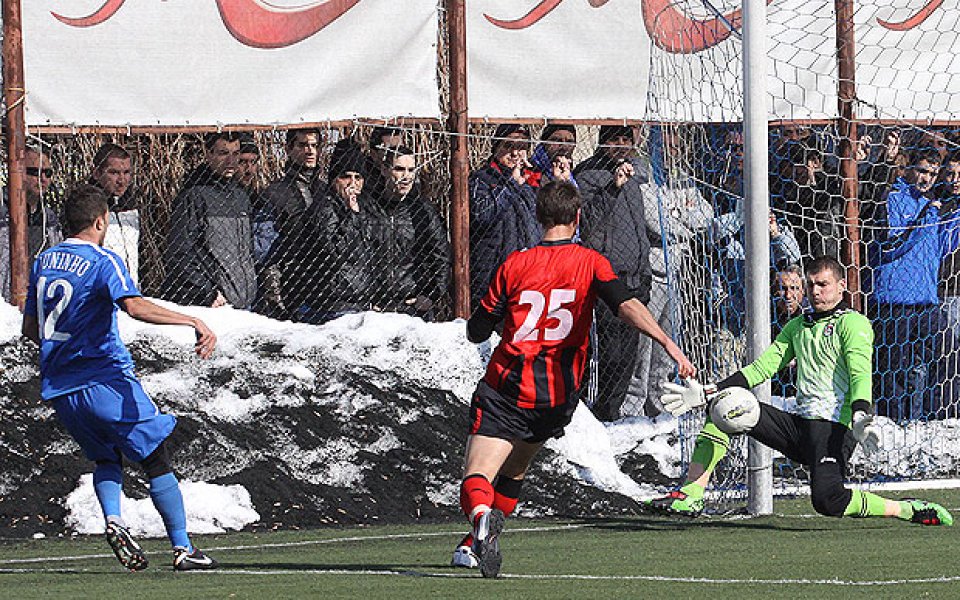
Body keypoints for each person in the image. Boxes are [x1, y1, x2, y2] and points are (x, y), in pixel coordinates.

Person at [454, 181, 696, 577]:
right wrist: (666, 340)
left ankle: (481, 517)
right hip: (556, 394)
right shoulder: (590, 261)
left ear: (538, 217)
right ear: (577, 216)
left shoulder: (515, 264)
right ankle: (477, 542)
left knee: (477, 475)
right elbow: (625, 304)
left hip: (509, 385)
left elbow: (477, 330)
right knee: (514, 471)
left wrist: (497, 319)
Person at [645, 256, 953, 528]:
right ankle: (690, 494)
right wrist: (707, 393)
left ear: (841, 285)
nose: (816, 291)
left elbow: (861, 373)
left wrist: (861, 412)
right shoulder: (798, 326)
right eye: (811, 285)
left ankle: (905, 509)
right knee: (728, 406)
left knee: (828, 502)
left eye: (823, 284)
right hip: (798, 426)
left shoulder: (854, 323)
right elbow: (760, 369)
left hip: (833, 430)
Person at [21, 185, 220, 571]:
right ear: (100, 221)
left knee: (106, 457)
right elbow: (134, 306)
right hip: (106, 379)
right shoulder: (102, 260)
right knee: (155, 455)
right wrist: (192, 319)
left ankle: (113, 520)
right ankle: (183, 548)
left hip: (62, 388)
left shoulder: (44, 261)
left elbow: (32, 327)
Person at [572, 124, 653, 421]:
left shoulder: (636, 176)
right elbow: (588, 224)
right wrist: (612, 188)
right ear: (601, 143)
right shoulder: (588, 175)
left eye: (625, 139)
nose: (621, 145)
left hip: (636, 276)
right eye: (614, 139)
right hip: (607, 277)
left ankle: (613, 412)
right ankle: (594, 414)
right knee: (606, 352)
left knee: (627, 355)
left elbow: (640, 226)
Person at [867, 149, 946, 422]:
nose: (927, 179)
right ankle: (891, 425)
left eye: (933, 174)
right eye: (923, 171)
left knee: (948, 354)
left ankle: (936, 420)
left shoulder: (932, 206)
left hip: (926, 300)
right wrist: (926, 216)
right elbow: (891, 245)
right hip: (894, 298)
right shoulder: (892, 200)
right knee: (893, 369)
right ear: (907, 169)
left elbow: (943, 245)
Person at [278, 139, 381, 322]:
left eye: (358, 178)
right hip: (332, 304)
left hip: (362, 301)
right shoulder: (325, 209)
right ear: (335, 179)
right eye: (346, 177)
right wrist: (351, 216)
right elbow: (335, 251)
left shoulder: (368, 208)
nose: (352, 183)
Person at [161, 132, 257, 310]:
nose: (230, 161)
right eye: (223, 153)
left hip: (244, 301)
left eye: (235, 154)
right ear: (208, 153)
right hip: (212, 305)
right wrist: (206, 292)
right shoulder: (194, 196)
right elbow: (179, 252)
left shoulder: (241, 197)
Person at [370, 145, 450, 319]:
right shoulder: (370, 208)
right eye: (399, 169)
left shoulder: (422, 211)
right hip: (375, 308)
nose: (406, 176)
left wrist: (432, 296)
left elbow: (441, 255)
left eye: (411, 170)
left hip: (412, 305)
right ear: (385, 170)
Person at [468, 123, 543, 308]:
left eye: (522, 147)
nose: (516, 153)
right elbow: (482, 214)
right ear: (496, 148)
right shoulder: (481, 179)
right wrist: (511, 184)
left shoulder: (533, 182)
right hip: (492, 275)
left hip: (529, 275)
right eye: (509, 146)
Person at [1, 145, 63, 303]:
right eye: (34, 172)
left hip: (39, 302)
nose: (42, 179)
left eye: (47, 173)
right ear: (16, 172)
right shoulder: (2, 211)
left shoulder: (49, 218)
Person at [88, 144, 140, 284]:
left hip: (129, 287)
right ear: (97, 173)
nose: (121, 180)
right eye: (114, 173)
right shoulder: (86, 208)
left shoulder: (131, 205)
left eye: (127, 172)